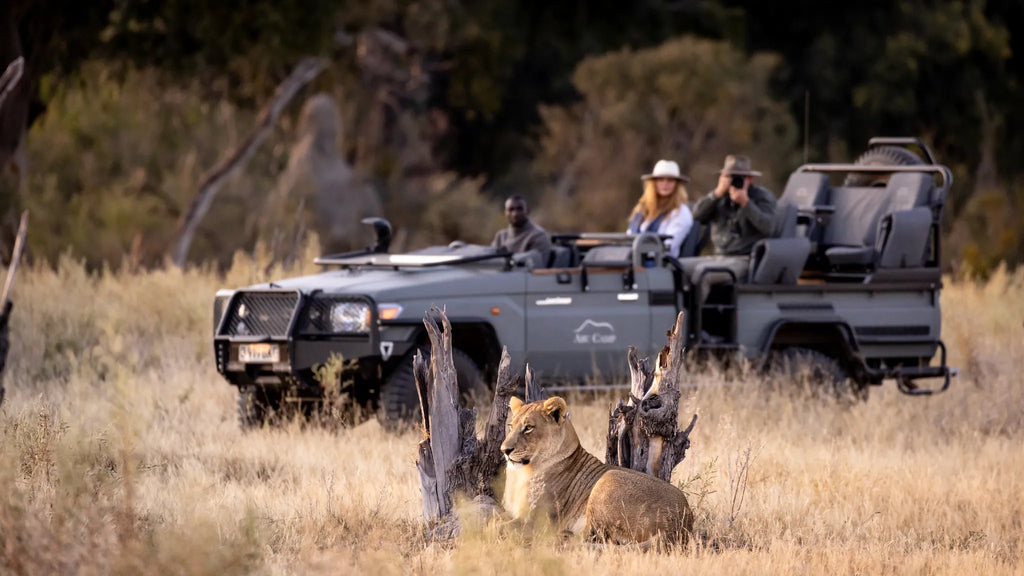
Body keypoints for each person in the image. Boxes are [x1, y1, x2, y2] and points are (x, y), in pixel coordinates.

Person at [682, 154, 777, 313]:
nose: (734, 181)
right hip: (718, 256)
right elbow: (696, 216)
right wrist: (716, 193)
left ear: (749, 179)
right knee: (677, 267)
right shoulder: (720, 196)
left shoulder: (761, 197)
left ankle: (693, 327)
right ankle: (672, 319)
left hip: (744, 259)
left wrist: (746, 203)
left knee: (704, 274)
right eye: (730, 176)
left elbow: (768, 227)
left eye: (739, 177)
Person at [626, 159, 694, 257]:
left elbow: (669, 247)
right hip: (633, 260)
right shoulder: (642, 209)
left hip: (660, 265)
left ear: (676, 185)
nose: (665, 184)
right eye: (660, 180)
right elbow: (628, 235)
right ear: (653, 183)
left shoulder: (680, 213)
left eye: (670, 180)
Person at [492, 195, 552, 268]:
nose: (515, 214)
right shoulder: (501, 236)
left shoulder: (538, 236)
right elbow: (491, 262)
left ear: (527, 211)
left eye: (519, 209)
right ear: (505, 213)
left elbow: (537, 268)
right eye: (511, 209)